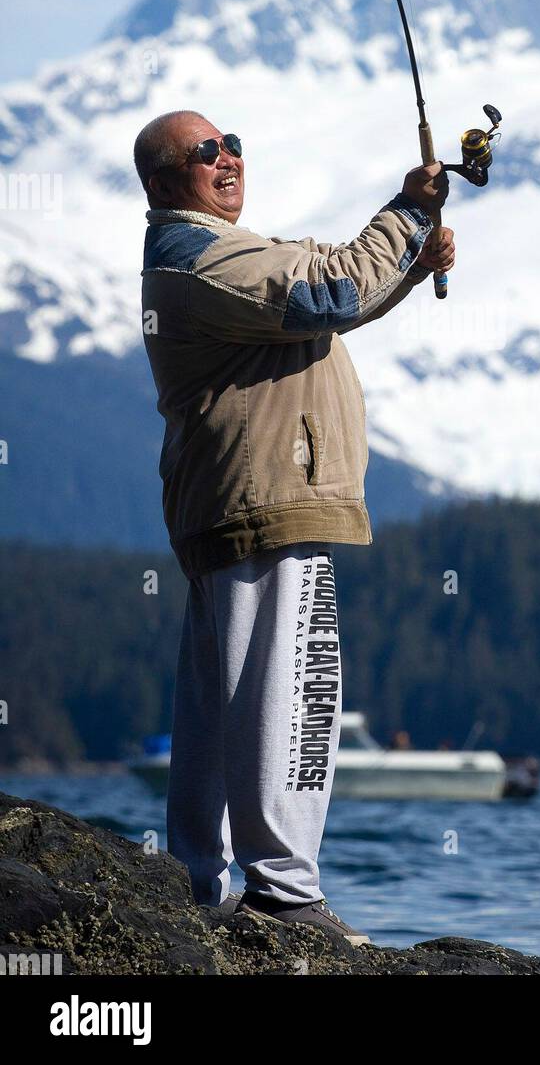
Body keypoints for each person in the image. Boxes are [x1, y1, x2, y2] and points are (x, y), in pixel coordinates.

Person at [133, 110, 453, 946]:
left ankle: (197, 885)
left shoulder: (205, 256)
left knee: (220, 703)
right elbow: (327, 292)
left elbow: (323, 303)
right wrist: (410, 211)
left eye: (232, 142)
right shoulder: (200, 256)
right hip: (268, 498)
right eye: (206, 153)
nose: (228, 158)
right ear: (166, 185)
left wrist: (409, 271)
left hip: (233, 501)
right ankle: (283, 896)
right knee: (295, 691)